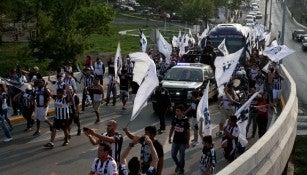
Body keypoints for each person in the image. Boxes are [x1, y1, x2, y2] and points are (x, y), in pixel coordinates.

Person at [168, 104, 190, 175]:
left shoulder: (186, 120)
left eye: (178, 111)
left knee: (182, 157)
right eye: (176, 111)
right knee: (173, 155)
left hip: (183, 142)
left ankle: (181, 169)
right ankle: (178, 164)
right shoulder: (174, 118)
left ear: (182, 112)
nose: (176, 112)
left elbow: (188, 132)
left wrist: (187, 142)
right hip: (175, 140)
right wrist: (169, 137)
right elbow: (172, 128)